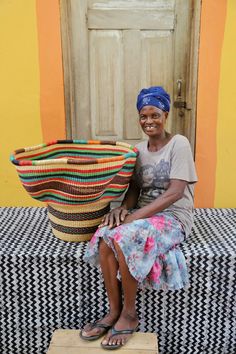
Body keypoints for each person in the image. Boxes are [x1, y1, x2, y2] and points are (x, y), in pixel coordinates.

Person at [80, 86, 198, 350]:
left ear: (166, 114)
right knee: (105, 236)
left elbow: (175, 193)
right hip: (144, 214)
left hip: (172, 216)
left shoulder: (179, 143)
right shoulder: (138, 150)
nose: (149, 121)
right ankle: (113, 311)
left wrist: (133, 219)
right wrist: (123, 210)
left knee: (124, 236)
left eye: (155, 114)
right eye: (143, 116)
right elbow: (134, 189)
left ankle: (130, 315)